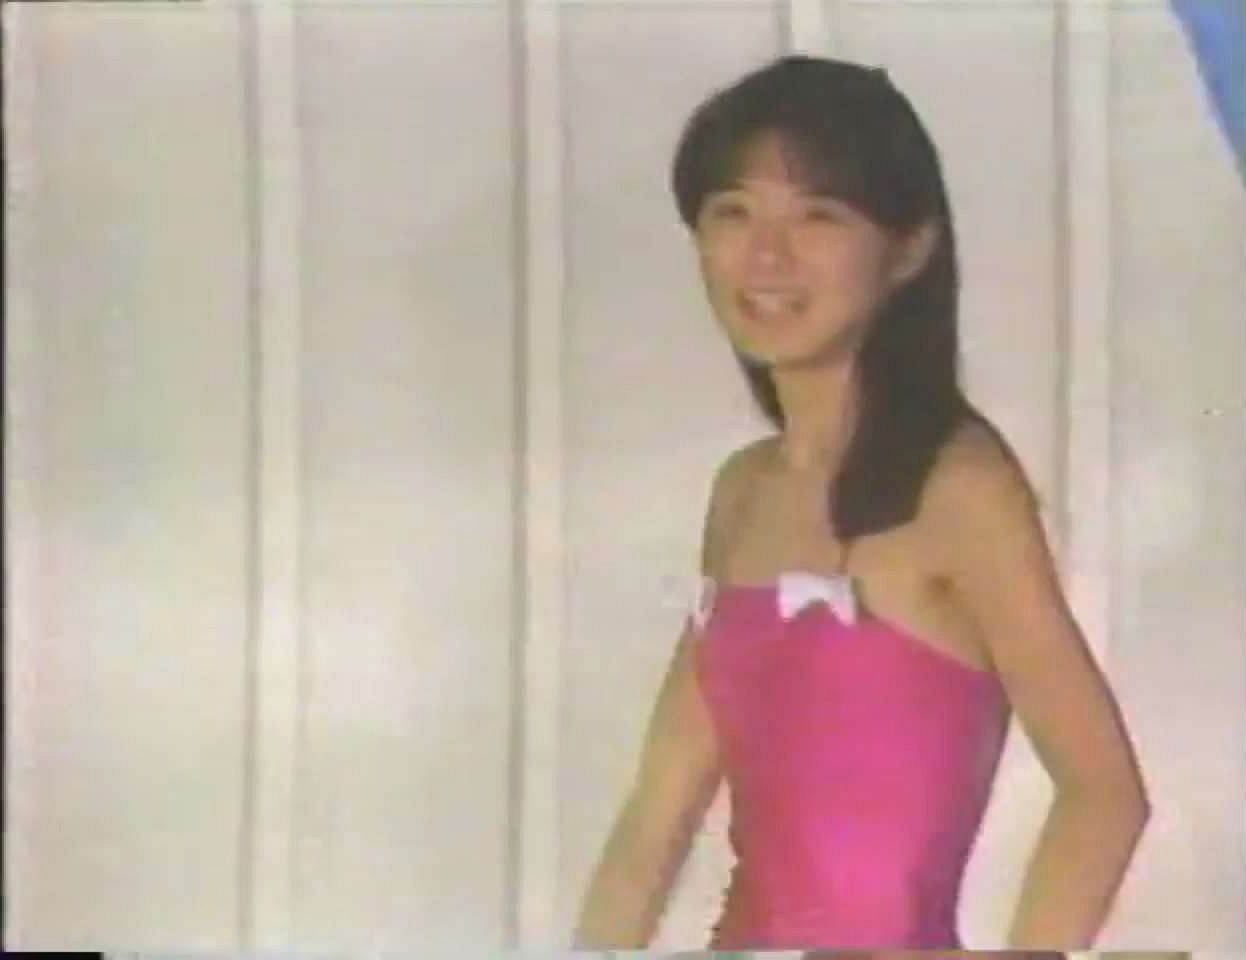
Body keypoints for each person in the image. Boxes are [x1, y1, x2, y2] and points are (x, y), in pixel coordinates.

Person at [571, 56, 1149, 950]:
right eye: (733, 213)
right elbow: (657, 816)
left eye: (818, 216)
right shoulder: (743, 491)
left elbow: (1103, 793)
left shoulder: (958, 490)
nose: (767, 257)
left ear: (908, 251)